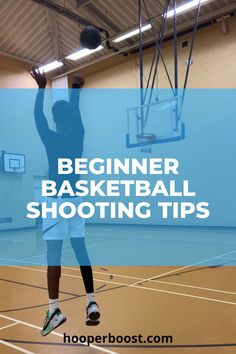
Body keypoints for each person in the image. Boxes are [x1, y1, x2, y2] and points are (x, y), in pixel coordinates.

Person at [30, 67, 100, 336]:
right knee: (81, 249)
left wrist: (40, 88)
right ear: (71, 119)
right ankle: (91, 302)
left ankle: (54, 310)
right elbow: (77, 115)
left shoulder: (50, 138)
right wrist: (76, 90)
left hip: (55, 201)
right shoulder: (77, 138)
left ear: (55, 121)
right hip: (76, 199)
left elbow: (38, 118)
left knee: (54, 255)